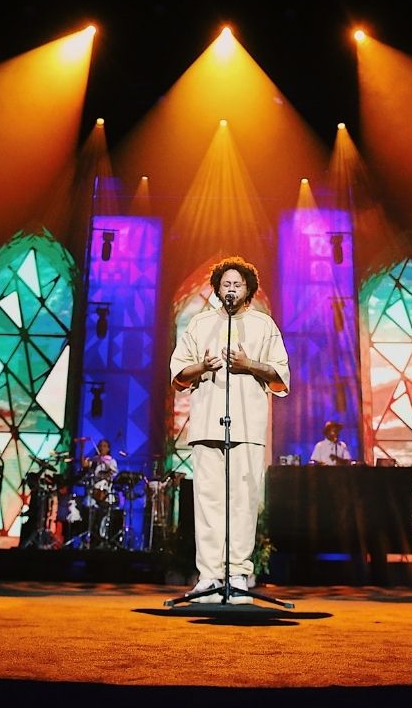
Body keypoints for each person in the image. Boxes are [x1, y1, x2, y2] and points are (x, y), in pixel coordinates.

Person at [170, 257, 290, 604]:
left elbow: (282, 377)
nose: (231, 289)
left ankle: (237, 574)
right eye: (226, 284)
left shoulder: (264, 325)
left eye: (238, 284)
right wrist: (201, 366)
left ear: (248, 289)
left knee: (243, 501)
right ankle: (209, 576)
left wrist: (248, 364)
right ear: (217, 289)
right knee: (207, 501)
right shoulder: (200, 323)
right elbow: (178, 374)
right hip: (207, 422)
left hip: (248, 425)